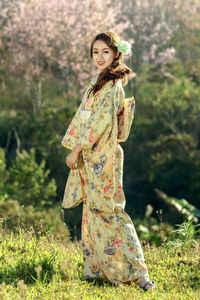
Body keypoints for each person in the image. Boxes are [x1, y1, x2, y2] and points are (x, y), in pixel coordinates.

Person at [61, 32, 156, 291]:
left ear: (116, 53)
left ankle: (140, 275)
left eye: (105, 51)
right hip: (93, 156)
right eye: (95, 52)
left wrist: (77, 149)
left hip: (103, 156)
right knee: (92, 212)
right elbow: (85, 116)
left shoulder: (114, 84)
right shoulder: (98, 82)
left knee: (112, 212)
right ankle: (96, 271)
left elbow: (99, 121)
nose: (99, 57)